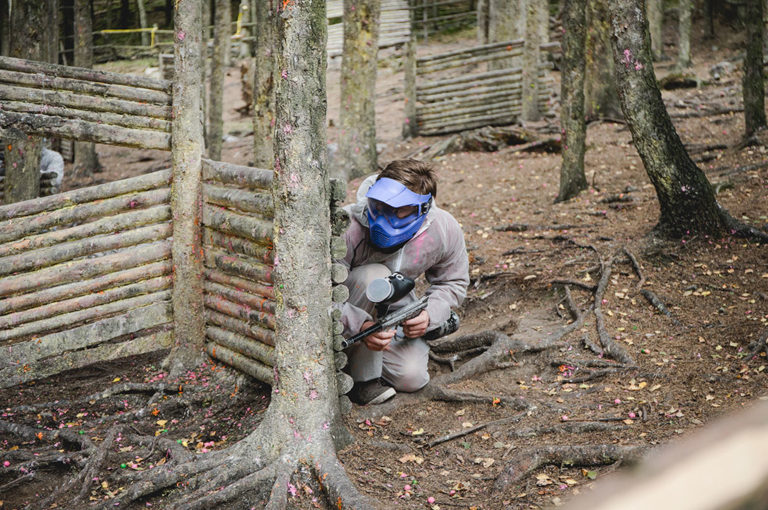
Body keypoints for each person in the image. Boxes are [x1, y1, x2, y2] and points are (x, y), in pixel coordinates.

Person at [338, 159, 469, 405]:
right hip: (341, 317)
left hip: (393, 317)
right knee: (374, 276)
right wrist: (358, 325)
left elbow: (453, 283)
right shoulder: (347, 226)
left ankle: (354, 366)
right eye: (379, 205)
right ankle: (363, 381)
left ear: (422, 208)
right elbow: (317, 294)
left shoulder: (442, 228)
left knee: (412, 377)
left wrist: (430, 315)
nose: (384, 215)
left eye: (398, 209)